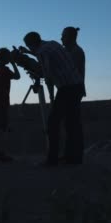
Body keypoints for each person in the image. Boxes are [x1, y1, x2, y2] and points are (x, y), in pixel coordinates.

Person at [23, 31, 85, 165]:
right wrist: (28, 54)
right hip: (76, 86)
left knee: (52, 124)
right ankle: (73, 158)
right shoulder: (53, 44)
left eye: (29, 47)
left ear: (31, 44)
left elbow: (47, 75)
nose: (29, 49)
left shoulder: (42, 52)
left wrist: (51, 96)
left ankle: (52, 160)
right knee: (71, 124)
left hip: (68, 88)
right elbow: (47, 57)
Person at [0, 48, 20, 162]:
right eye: (8, 56)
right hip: (2, 102)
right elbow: (17, 76)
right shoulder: (4, 70)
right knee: (2, 128)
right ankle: (1, 154)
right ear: (5, 58)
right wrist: (13, 63)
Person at [61, 26, 86, 97]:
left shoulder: (76, 52)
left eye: (64, 36)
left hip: (73, 90)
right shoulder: (68, 51)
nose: (61, 38)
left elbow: (70, 71)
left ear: (71, 37)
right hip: (70, 89)